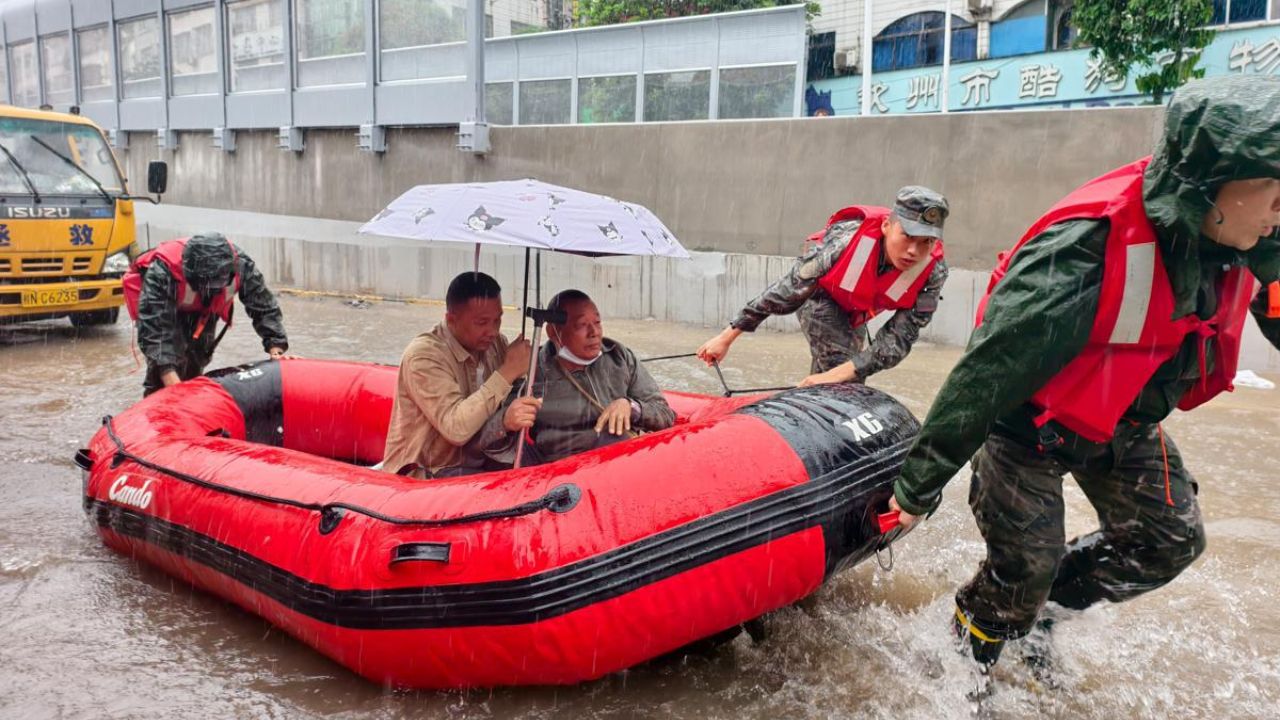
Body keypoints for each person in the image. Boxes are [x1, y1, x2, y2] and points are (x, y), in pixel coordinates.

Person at [889, 76, 1280, 671]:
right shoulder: (1083, 249)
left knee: (1170, 539)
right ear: (1210, 185)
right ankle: (968, 657)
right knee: (1023, 568)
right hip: (1027, 424)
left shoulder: (1251, 232)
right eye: (1274, 189)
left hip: (1122, 419)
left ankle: (1045, 618)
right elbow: (989, 371)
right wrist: (917, 487)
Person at [696, 186, 950, 387]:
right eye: (907, 236)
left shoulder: (933, 272)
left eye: (926, 242)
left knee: (841, 372)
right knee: (840, 373)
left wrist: (837, 373)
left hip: (856, 311)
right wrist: (727, 337)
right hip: (819, 297)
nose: (913, 251)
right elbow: (787, 290)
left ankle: (809, 402)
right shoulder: (846, 242)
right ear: (886, 226)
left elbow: (898, 340)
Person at [478, 289, 676, 465]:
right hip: (557, 475)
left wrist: (631, 407)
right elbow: (489, 442)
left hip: (616, 466)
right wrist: (506, 422)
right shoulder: (531, 369)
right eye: (582, 325)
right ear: (553, 332)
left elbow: (665, 415)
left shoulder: (619, 357)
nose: (594, 333)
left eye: (597, 322)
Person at [380, 271, 533, 478]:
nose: (493, 331)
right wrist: (507, 372)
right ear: (451, 320)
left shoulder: (495, 345)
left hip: (476, 463)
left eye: (497, 321)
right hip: (425, 474)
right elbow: (455, 429)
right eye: (482, 322)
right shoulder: (424, 355)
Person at [124, 233, 289, 397]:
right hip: (168, 311)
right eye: (204, 286)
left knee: (197, 360)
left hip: (205, 313)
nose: (208, 290)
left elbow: (264, 307)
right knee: (164, 371)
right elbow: (154, 331)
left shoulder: (242, 266)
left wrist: (276, 349)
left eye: (213, 287)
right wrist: (171, 381)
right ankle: (158, 405)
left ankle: (193, 400)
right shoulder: (163, 271)